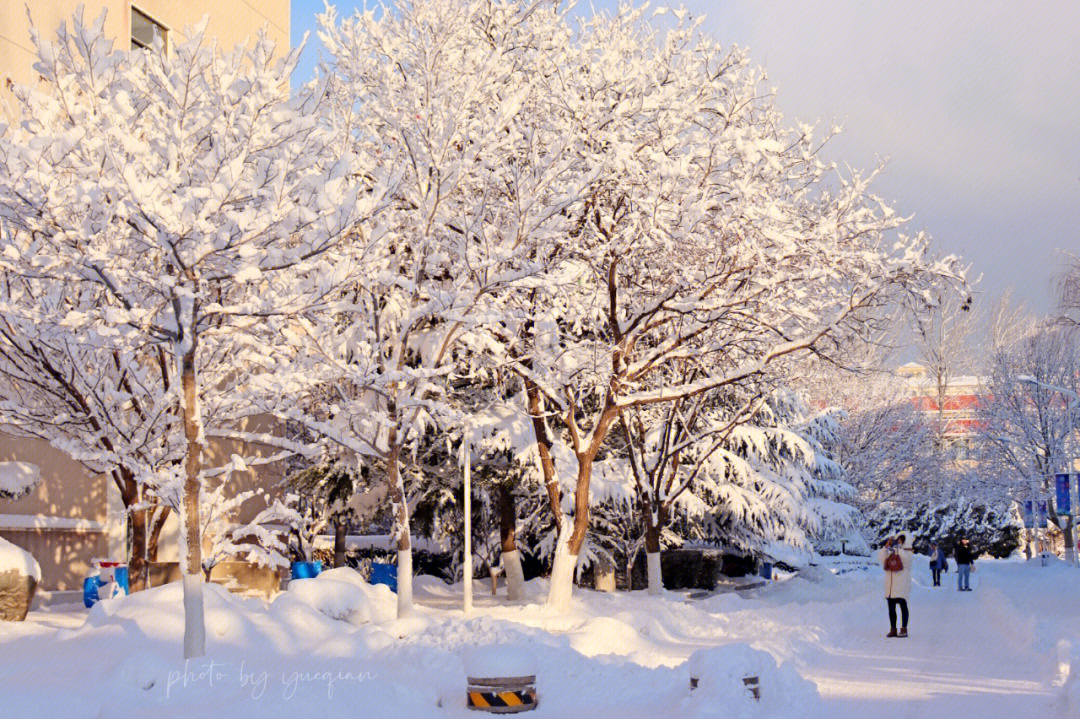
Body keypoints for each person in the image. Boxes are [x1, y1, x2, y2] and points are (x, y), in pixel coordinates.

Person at [877, 533, 914, 638]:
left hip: (901, 583)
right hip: (890, 584)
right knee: (891, 607)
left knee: (903, 605)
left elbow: (906, 559)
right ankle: (893, 629)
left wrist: (897, 549)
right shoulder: (891, 552)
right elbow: (880, 557)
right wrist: (886, 546)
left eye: (901, 540)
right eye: (897, 540)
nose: (898, 542)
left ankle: (904, 629)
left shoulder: (908, 552)